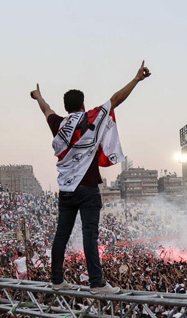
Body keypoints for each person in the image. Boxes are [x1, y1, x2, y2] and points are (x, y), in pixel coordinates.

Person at [30, 61, 151, 294]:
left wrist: (38, 96)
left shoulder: (59, 125)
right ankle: (96, 283)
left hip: (65, 191)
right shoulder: (92, 118)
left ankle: (57, 279)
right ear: (83, 104)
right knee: (90, 236)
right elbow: (116, 99)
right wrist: (136, 79)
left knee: (61, 235)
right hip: (87, 190)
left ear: (66, 107)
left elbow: (46, 110)